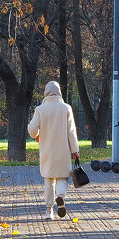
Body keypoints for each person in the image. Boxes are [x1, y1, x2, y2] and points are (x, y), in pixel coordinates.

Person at [27, 81, 80, 219]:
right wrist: (75, 150)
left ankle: (48, 210)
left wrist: (37, 135)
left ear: (46, 93)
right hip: (63, 150)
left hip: (47, 151)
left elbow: (32, 129)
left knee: (49, 180)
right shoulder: (66, 108)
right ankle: (61, 196)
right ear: (59, 92)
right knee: (63, 177)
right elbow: (71, 131)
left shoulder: (40, 109)